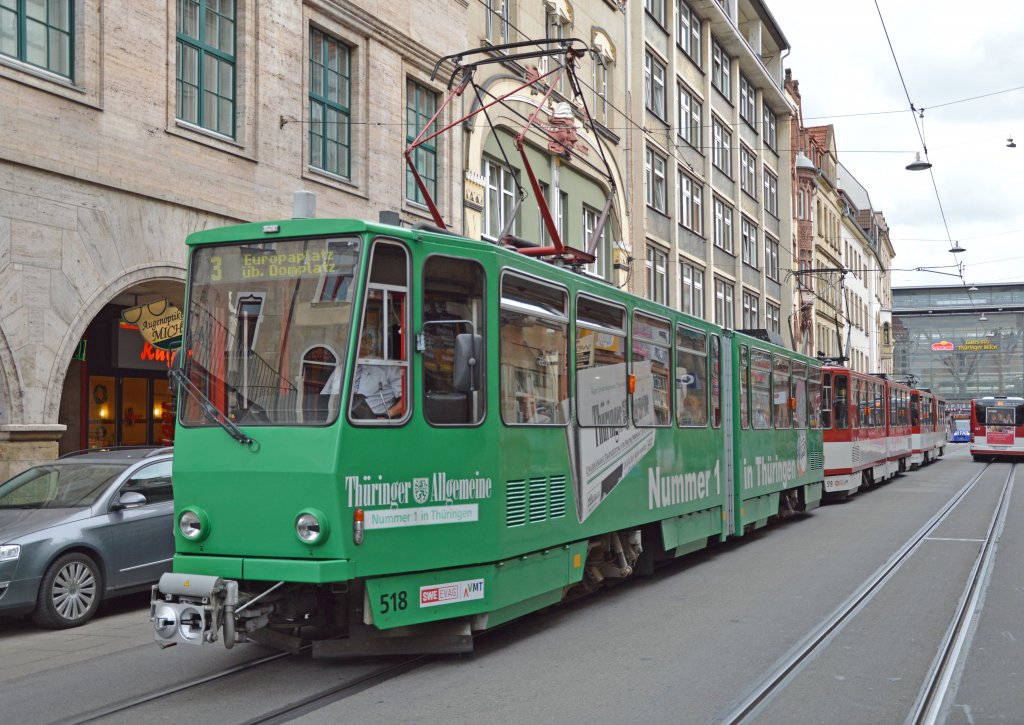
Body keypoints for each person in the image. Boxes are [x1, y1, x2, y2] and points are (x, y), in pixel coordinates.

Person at [350, 330, 404, 420]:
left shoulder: (388, 368)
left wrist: (387, 415)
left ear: (372, 344)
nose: (357, 343)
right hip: (338, 421)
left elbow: (407, 400)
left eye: (362, 340)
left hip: (372, 424)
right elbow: (323, 396)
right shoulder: (342, 369)